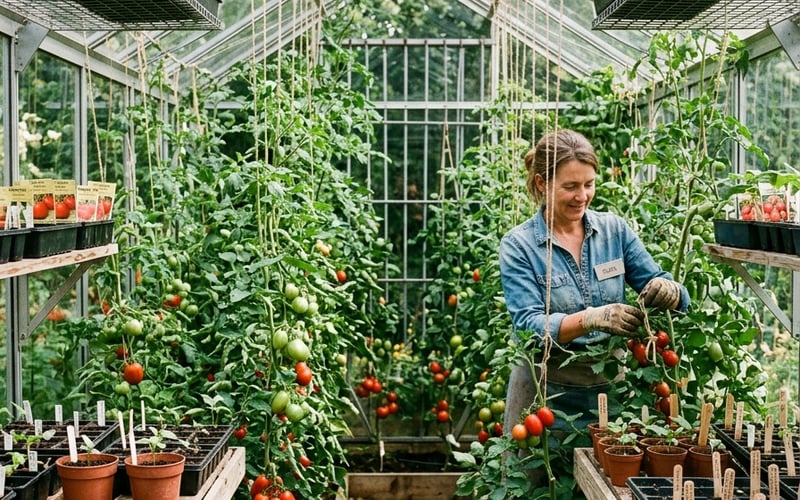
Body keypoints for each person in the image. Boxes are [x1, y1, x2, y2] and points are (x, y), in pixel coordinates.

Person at [498, 129, 689, 437]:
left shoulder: (614, 231)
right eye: (570, 186)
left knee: (609, 481)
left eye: (589, 184)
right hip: (544, 398)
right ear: (541, 183)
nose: (582, 196)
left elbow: (667, 288)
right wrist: (591, 318)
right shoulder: (519, 246)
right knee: (541, 483)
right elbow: (529, 327)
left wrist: (670, 291)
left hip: (610, 393)